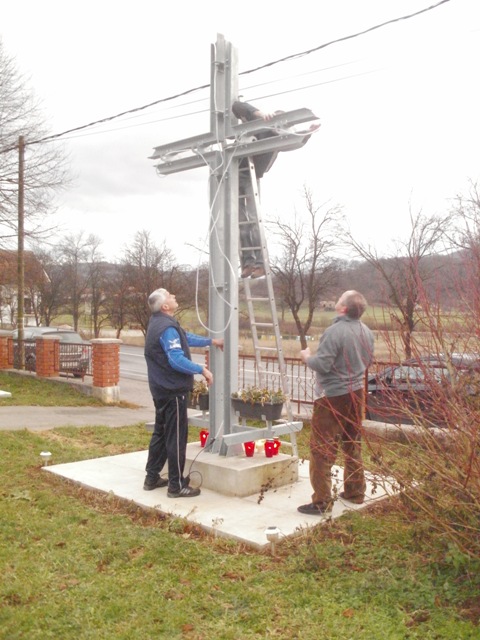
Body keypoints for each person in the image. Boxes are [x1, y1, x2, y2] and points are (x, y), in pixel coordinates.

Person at [298, 290, 374, 516]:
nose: (336, 300)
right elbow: (368, 360)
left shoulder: (334, 332)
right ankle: (355, 491)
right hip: (356, 393)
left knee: (321, 447)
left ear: (343, 308)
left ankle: (321, 501)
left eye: (339, 298)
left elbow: (322, 364)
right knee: (352, 443)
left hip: (332, 396)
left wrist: (307, 357)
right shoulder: (366, 331)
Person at [143, 288, 224, 497]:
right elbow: (176, 359)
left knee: (160, 433)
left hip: (160, 389)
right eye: (171, 296)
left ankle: (151, 477)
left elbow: (184, 337)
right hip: (172, 391)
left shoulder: (157, 322)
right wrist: (202, 370)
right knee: (176, 438)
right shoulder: (166, 327)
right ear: (165, 306)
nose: (175, 296)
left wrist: (210, 341)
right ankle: (176, 485)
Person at [232, 100, 319, 279]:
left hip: (251, 176)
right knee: (241, 221)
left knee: (253, 220)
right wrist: (259, 113)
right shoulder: (258, 123)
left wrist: (309, 132)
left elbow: (296, 139)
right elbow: (236, 106)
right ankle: (247, 262)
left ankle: (260, 264)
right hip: (235, 173)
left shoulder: (278, 136)